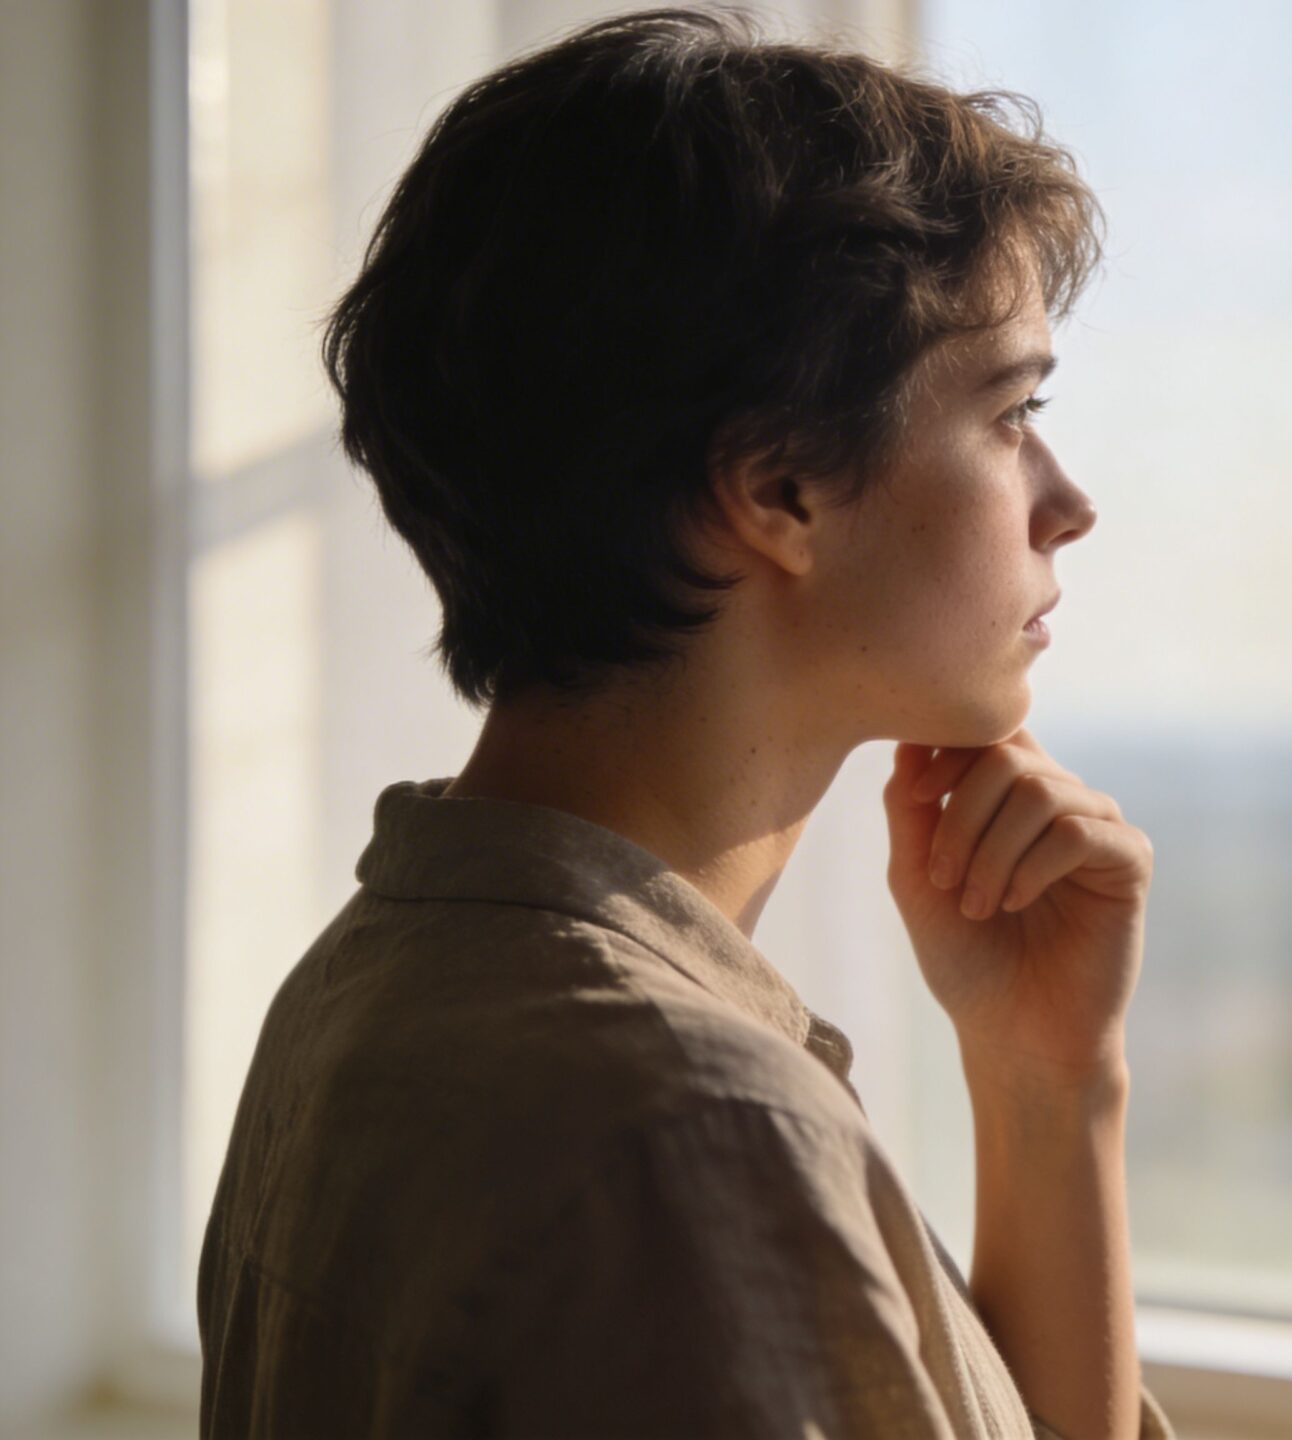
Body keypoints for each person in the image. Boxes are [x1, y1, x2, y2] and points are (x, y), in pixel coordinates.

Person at [194, 9, 1169, 1437]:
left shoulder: (371, 986)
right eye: (1011, 411)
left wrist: (1046, 1083)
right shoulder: (689, 1126)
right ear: (776, 493)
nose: (1067, 502)